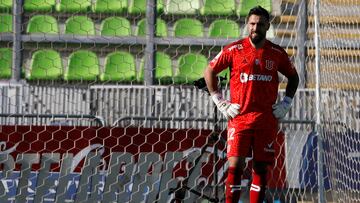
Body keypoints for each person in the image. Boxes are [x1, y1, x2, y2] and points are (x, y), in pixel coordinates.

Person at [203, 6, 299, 203]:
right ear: (248, 24)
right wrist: (220, 101)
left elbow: (294, 77)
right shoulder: (234, 49)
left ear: (268, 26)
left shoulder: (276, 53)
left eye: (260, 24)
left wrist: (286, 103)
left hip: (266, 120)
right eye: (253, 24)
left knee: (261, 168)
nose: (256, 28)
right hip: (239, 118)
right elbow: (209, 72)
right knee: (235, 166)